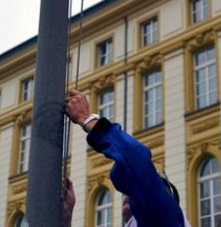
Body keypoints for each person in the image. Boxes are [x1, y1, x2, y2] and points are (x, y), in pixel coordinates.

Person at [64, 89, 190, 226]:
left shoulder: (163, 218)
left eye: (150, 181)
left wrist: (87, 118)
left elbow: (137, 158)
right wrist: (65, 219)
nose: (128, 194)